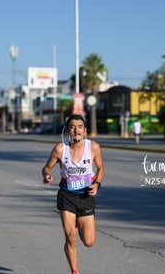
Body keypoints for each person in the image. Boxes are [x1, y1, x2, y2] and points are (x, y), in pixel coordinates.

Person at [42, 114, 105, 274]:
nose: (76, 130)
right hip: (67, 196)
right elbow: (47, 168)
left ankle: (78, 223)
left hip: (85, 196)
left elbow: (101, 169)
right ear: (67, 130)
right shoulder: (60, 149)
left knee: (89, 242)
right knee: (71, 237)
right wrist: (46, 175)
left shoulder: (94, 147)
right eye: (72, 127)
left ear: (85, 130)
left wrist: (97, 184)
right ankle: (74, 270)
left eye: (79, 127)